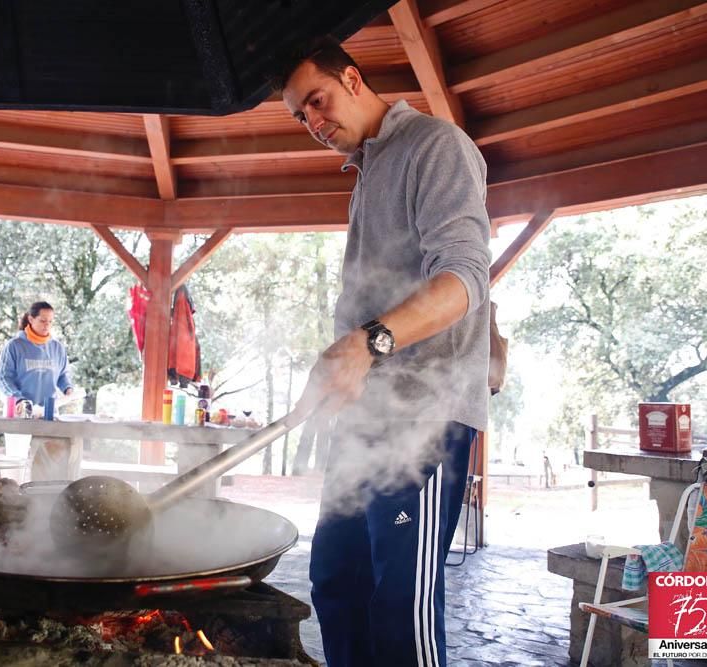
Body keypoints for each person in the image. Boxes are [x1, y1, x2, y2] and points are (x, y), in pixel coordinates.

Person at [273, 38, 491, 666]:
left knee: (402, 604)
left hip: (423, 419)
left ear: (352, 76)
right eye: (299, 116)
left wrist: (370, 342)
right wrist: (340, 360)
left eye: (317, 102)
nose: (313, 124)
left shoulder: (435, 146)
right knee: (336, 585)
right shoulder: (367, 173)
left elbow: (465, 279)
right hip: (365, 419)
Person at [0, 301, 76, 480]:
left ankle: (41, 502)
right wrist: (18, 398)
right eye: (42, 321)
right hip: (20, 412)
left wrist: (68, 388)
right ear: (31, 319)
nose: (47, 325)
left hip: (48, 414)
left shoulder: (57, 348)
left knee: (47, 464)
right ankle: (14, 501)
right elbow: (3, 377)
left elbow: (63, 374)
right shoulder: (14, 346)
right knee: (17, 464)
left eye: (50, 322)